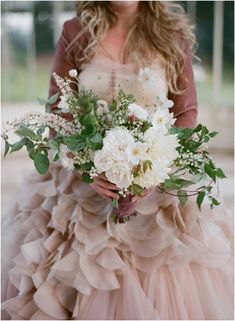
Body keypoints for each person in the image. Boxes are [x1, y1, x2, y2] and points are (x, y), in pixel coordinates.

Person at [1, 1, 233, 319]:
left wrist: (155, 169)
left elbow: (185, 113)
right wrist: (86, 168)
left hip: (156, 184)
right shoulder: (75, 32)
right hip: (82, 186)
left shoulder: (172, 34)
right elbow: (57, 113)